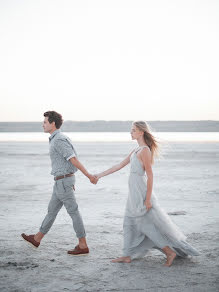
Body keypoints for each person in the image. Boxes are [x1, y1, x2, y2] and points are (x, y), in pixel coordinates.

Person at [95, 121, 200, 266]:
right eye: (131, 130)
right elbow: (118, 165)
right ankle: (126, 255)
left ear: (141, 132)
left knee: (145, 225)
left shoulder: (145, 151)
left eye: (133, 130)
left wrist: (148, 199)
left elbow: (150, 175)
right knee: (128, 223)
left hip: (141, 191)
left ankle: (169, 252)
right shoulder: (135, 150)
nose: (130, 133)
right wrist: (99, 175)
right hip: (133, 192)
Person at [21, 111, 97, 256]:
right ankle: (37, 238)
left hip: (64, 182)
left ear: (52, 123)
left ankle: (83, 244)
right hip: (60, 181)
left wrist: (89, 176)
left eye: (45, 122)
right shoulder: (55, 138)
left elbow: (73, 160)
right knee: (52, 211)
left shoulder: (59, 140)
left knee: (74, 212)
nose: (42, 124)